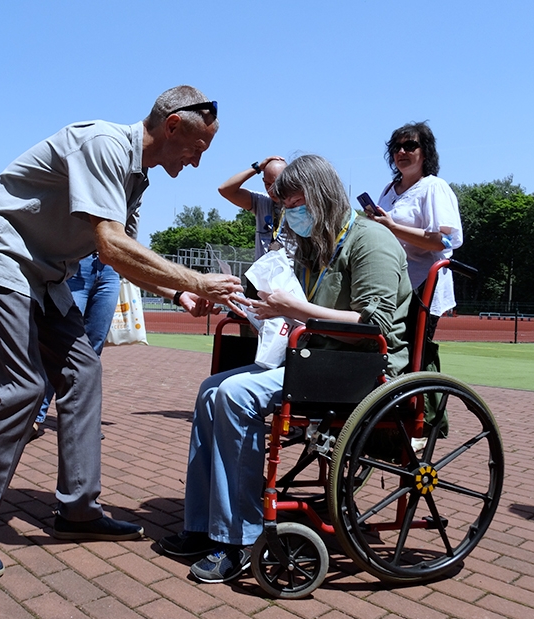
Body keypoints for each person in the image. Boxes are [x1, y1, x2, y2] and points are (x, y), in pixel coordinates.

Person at [0, 85, 243, 581]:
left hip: (45, 271)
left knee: (82, 372)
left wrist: (177, 295)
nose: (196, 162)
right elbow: (108, 245)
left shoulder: (136, 178)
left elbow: (122, 250)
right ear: (172, 125)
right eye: (197, 148)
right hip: (0, 254)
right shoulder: (102, 143)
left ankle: (77, 511)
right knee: (22, 388)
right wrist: (194, 279)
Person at [159, 155, 413, 583]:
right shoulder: (314, 248)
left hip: (361, 368)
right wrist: (237, 302)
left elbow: (376, 326)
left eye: (296, 204)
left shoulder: (372, 241)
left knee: (236, 395)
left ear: (321, 198)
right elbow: (284, 311)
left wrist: (297, 309)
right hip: (317, 359)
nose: (290, 215)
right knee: (210, 390)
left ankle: (240, 539)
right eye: (284, 207)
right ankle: (204, 526)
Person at [363, 121, 463, 338]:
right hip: (390, 285)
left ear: (425, 153)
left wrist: (392, 227)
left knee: (412, 354)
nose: (401, 152)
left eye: (410, 146)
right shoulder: (389, 189)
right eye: (396, 148)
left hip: (421, 288)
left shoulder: (434, 187)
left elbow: (442, 241)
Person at [33, 252, 125, 435]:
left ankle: (83, 421)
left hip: (110, 270)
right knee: (59, 348)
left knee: (92, 354)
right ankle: (35, 416)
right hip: (76, 265)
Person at [218, 156, 296, 261]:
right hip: (262, 274)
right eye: (267, 184)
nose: (272, 189)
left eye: (277, 183)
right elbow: (225, 190)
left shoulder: (299, 207)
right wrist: (257, 168)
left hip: (289, 275)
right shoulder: (261, 202)